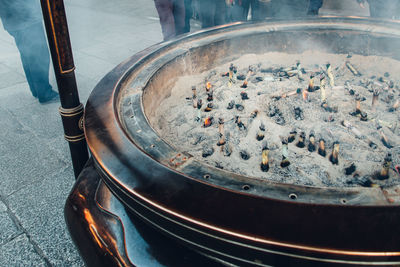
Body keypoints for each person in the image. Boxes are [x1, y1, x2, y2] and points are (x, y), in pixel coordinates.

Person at [0, 0, 59, 104]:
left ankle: (36, 89)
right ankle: (44, 92)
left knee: (27, 53)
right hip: (25, 17)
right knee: (38, 54)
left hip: (12, 19)